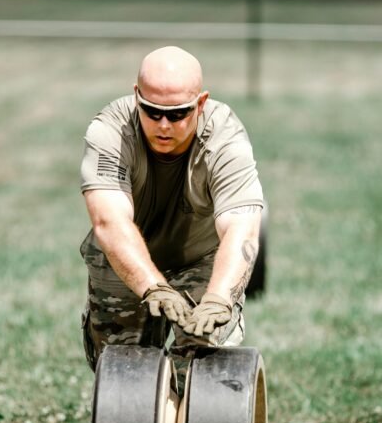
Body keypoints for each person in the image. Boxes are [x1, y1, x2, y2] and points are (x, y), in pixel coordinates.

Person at [79, 45, 263, 388]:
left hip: (201, 258)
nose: (164, 125)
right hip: (124, 261)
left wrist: (219, 299)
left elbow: (242, 227)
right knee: (123, 375)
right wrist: (153, 287)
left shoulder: (225, 138)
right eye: (152, 111)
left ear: (201, 103)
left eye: (178, 114)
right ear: (137, 97)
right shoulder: (111, 132)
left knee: (205, 364)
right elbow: (109, 222)